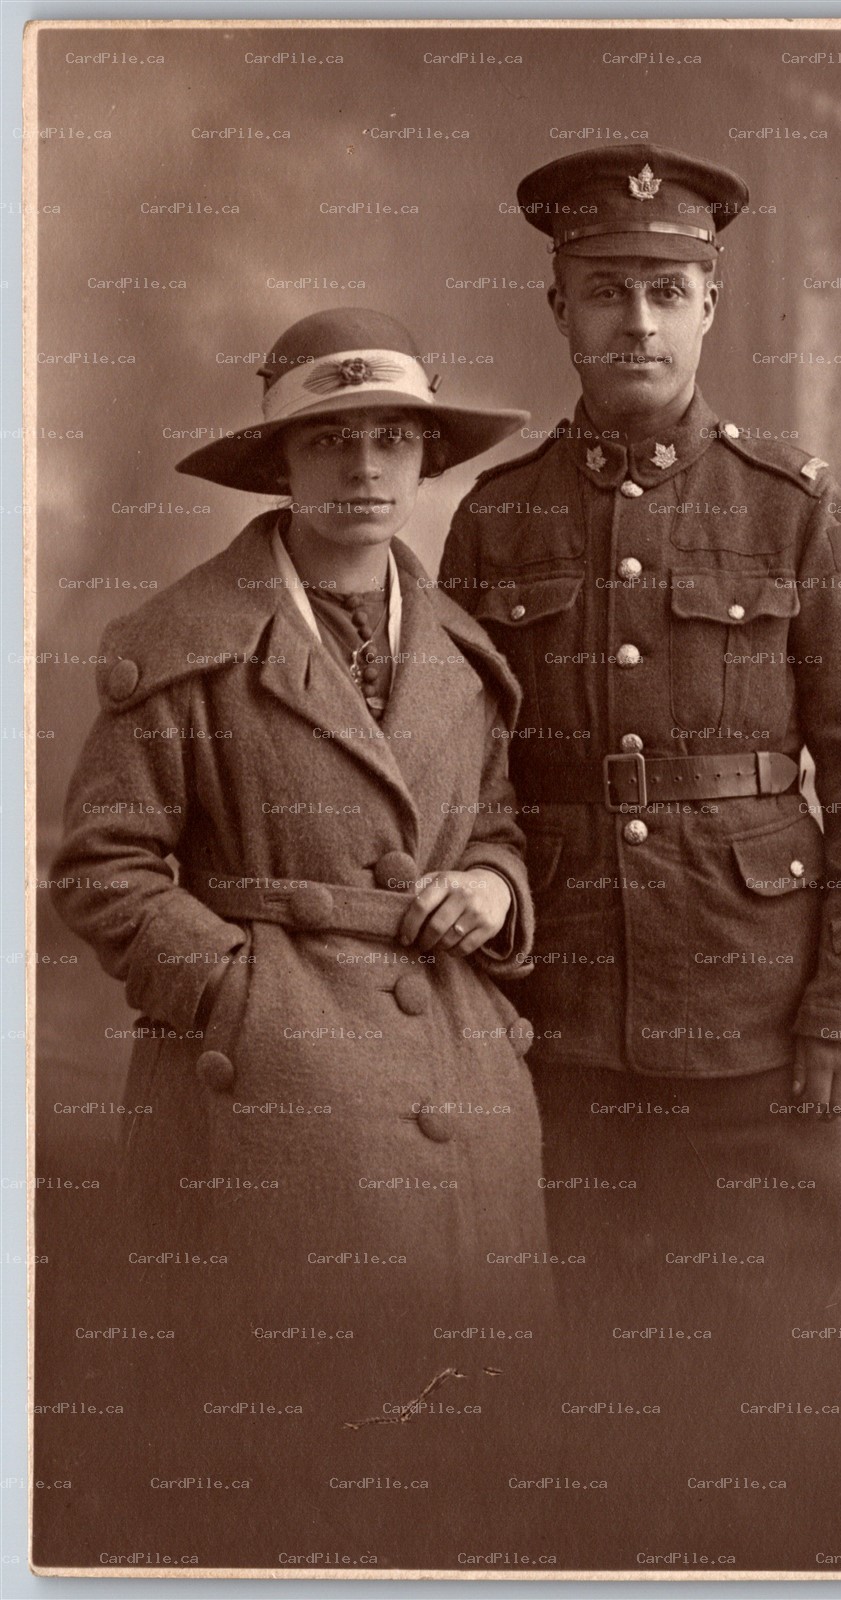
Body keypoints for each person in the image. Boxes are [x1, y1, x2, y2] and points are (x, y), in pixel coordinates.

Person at [439, 143, 841, 1332]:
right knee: (585, 1332)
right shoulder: (497, 515)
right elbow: (456, 780)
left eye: (667, 292)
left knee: (755, 1343)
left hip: (753, 1007)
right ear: (558, 307)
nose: (637, 321)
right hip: (553, 1007)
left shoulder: (790, 504)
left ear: (710, 305)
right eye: (606, 289)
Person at [49, 308, 554, 1421]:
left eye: (392, 438)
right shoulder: (188, 643)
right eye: (330, 439)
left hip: (463, 1093)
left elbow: (497, 829)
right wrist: (243, 998)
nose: (364, 467)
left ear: (426, 458)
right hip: (268, 1098)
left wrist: (489, 887)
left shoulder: (467, 657)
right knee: (287, 1430)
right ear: (280, 460)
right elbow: (101, 868)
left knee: (473, 1442)